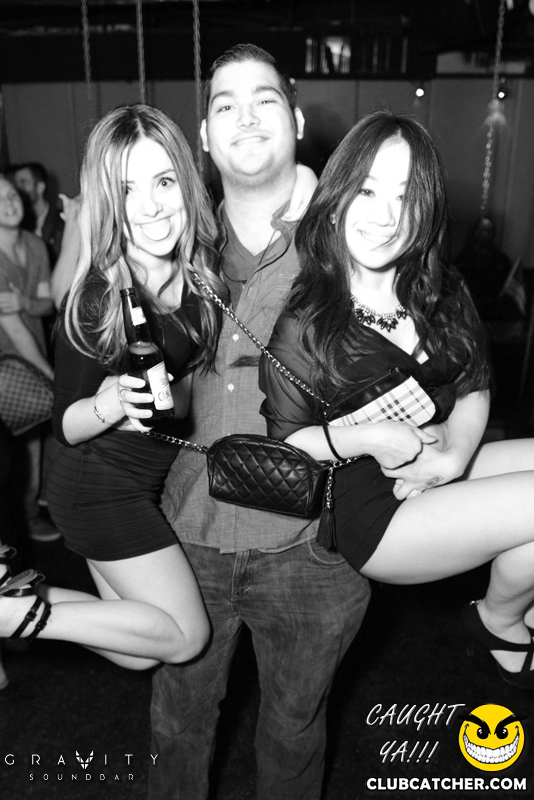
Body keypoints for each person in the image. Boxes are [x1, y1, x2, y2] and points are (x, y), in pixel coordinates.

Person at [149, 44, 371, 800]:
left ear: (297, 121)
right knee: (176, 725)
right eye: (225, 104)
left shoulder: (353, 236)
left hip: (313, 544)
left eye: (264, 99)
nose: (245, 117)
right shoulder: (173, 243)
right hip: (188, 534)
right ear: (204, 135)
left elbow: (437, 346)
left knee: (294, 729)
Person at [260, 109, 534, 691]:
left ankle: (506, 613)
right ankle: (500, 620)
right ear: (337, 196)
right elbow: (286, 446)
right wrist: (371, 437)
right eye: (366, 190)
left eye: (405, 196)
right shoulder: (307, 324)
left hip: (437, 457)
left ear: (426, 208)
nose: (385, 215)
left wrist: (453, 456)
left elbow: (475, 383)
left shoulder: (440, 288)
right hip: (372, 508)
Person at [0, 102, 228, 669]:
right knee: (185, 637)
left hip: (136, 480)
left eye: (164, 181)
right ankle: (8, 618)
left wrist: (172, 397)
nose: (150, 207)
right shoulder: (99, 299)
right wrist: (112, 402)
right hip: (97, 486)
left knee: (138, 654)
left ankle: (20, 606)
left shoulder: (200, 279)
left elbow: (186, 388)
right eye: (127, 190)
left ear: (187, 184)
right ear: (107, 202)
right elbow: (65, 425)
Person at [455, 216, 525, 321]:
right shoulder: (463, 258)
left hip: (494, 315)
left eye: (489, 231)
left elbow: (507, 289)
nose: (485, 234)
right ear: (475, 232)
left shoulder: (502, 260)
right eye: (482, 230)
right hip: (469, 312)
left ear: (494, 234)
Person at [12, 162, 64, 265]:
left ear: (40, 187)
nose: (17, 189)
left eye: (23, 182)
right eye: (15, 183)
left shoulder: (62, 222)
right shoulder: (16, 225)